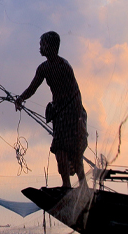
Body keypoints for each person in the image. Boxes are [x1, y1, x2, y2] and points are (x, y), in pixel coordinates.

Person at [14, 31, 88, 189]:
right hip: (60, 114)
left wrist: (77, 119)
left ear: (52, 47)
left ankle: (83, 186)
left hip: (72, 114)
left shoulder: (64, 66)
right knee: (60, 150)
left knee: (74, 152)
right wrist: (21, 98)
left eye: (43, 44)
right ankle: (66, 186)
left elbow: (76, 93)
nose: (40, 47)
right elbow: (33, 88)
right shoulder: (43, 68)